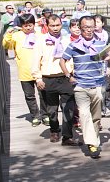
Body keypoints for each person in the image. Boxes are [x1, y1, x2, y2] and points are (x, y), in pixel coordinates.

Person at [60, 16, 110, 159]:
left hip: (97, 85)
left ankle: (93, 140)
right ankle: (92, 144)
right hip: (80, 86)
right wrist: (68, 75)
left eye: (91, 27)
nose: (89, 30)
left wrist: (109, 64)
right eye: (85, 28)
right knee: (84, 114)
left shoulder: (101, 43)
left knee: (96, 117)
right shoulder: (74, 45)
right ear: (80, 27)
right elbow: (62, 61)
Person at [31, 14, 80, 146]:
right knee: (52, 109)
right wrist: (38, 78)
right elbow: (35, 60)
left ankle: (67, 136)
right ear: (47, 26)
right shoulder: (41, 40)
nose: (55, 28)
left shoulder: (67, 40)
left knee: (68, 108)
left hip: (65, 78)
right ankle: (54, 129)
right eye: (52, 25)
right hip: (48, 78)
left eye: (58, 25)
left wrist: (73, 74)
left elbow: (74, 58)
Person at [3, 12, 44, 126]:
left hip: (40, 70)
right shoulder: (17, 36)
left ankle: (45, 115)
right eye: (25, 25)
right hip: (24, 71)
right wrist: (8, 34)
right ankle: (35, 115)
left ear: (33, 24)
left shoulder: (39, 34)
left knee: (43, 94)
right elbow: (7, 45)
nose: (28, 27)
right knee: (29, 95)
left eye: (30, 25)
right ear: (21, 26)